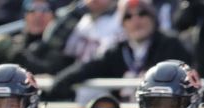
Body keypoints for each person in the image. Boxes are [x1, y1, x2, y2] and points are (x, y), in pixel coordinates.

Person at [48, 0, 191, 101]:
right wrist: (59, 82)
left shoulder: (170, 44)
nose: (136, 20)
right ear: (122, 24)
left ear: (153, 18)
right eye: (128, 16)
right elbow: (89, 67)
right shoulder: (118, 50)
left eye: (142, 14)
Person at [0, 0, 56, 69]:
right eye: (32, 9)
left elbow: (50, 70)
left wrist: (16, 55)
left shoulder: (58, 46)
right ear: (25, 15)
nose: (38, 15)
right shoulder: (13, 41)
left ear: (53, 17)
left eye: (45, 9)